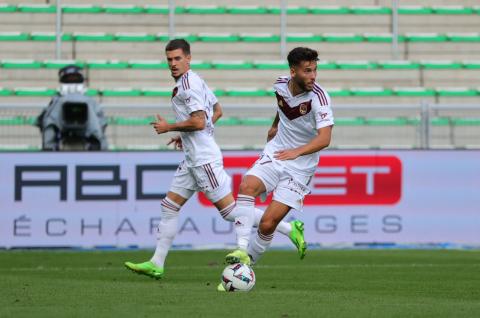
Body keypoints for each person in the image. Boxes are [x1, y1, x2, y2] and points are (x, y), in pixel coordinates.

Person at [124, 39, 306, 282]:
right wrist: (186, 136)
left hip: (203, 161)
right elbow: (216, 111)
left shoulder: (188, 85)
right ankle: (156, 263)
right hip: (192, 158)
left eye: (178, 58)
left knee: (232, 212)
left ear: (188, 58)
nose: (173, 64)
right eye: (169, 59)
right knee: (169, 206)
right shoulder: (195, 80)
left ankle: (287, 227)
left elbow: (199, 120)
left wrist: (171, 127)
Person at [224, 47, 334, 267]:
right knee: (247, 186)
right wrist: (275, 126)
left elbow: (325, 139)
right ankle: (241, 248)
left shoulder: (319, 98)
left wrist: (296, 151)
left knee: (267, 224)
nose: (313, 76)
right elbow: (282, 105)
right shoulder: (280, 84)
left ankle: (242, 270)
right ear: (293, 72)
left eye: (315, 70)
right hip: (277, 153)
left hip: (300, 168)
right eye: (307, 71)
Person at [35, 65, 108, 150]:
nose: (72, 81)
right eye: (69, 79)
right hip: (64, 133)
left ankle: (49, 146)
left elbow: (101, 121)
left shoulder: (90, 101)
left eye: (75, 78)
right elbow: (47, 121)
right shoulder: (57, 101)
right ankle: (49, 146)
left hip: (87, 134)